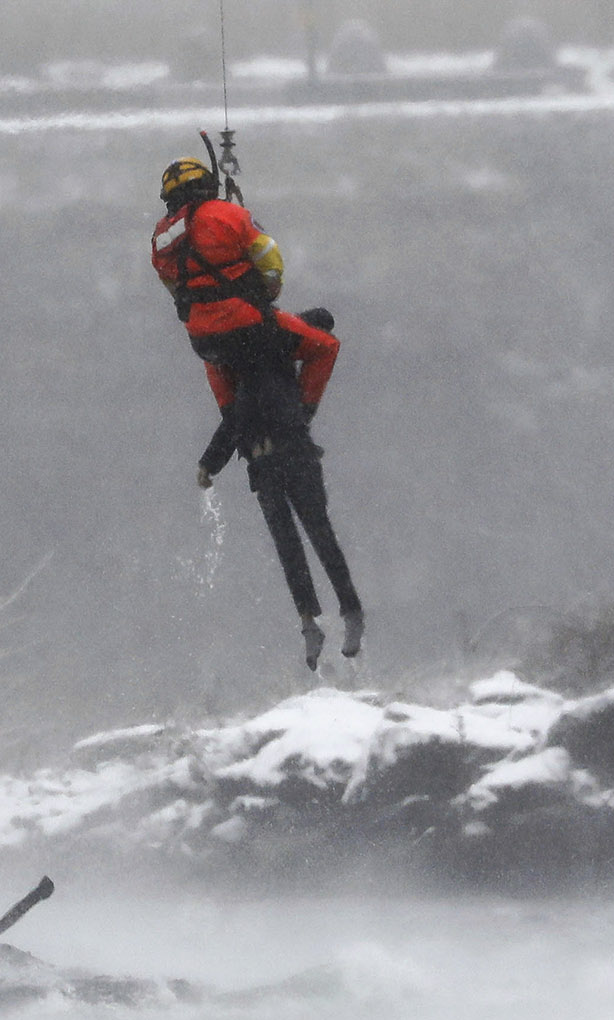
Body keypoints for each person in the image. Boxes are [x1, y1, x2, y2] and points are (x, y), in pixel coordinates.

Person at [150, 156, 363, 667]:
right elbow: (269, 261)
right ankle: (349, 613)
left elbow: (234, 407)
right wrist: (304, 410)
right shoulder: (228, 217)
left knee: (287, 542)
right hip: (280, 412)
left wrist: (214, 461)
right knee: (318, 531)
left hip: (208, 344)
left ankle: (308, 623)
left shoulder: (163, 240)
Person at [196, 307, 363, 669]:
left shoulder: (267, 359)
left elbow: (235, 419)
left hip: (289, 457)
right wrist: (210, 462)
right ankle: (318, 621)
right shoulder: (257, 365)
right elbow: (235, 420)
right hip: (267, 464)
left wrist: (210, 462)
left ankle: (340, 614)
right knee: (298, 544)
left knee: (312, 538)